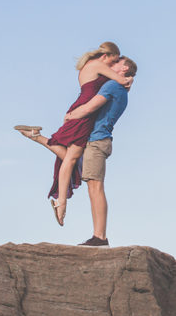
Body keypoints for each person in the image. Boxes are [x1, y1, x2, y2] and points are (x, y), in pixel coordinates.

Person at [14, 42, 132, 226]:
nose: (112, 66)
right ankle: (61, 204)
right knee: (71, 160)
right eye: (113, 60)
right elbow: (122, 81)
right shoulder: (98, 65)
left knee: (71, 156)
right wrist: (129, 81)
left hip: (81, 110)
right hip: (84, 114)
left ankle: (35, 136)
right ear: (107, 56)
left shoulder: (89, 66)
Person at [61, 55, 136, 246]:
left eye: (116, 63)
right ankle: (98, 236)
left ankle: (100, 237)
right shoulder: (120, 88)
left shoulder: (113, 86)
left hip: (98, 139)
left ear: (124, 69)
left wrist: (70, 116)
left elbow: (90, 107)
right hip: (99, 139)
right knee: (93, 187)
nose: (111, 65)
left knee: (96, 188)